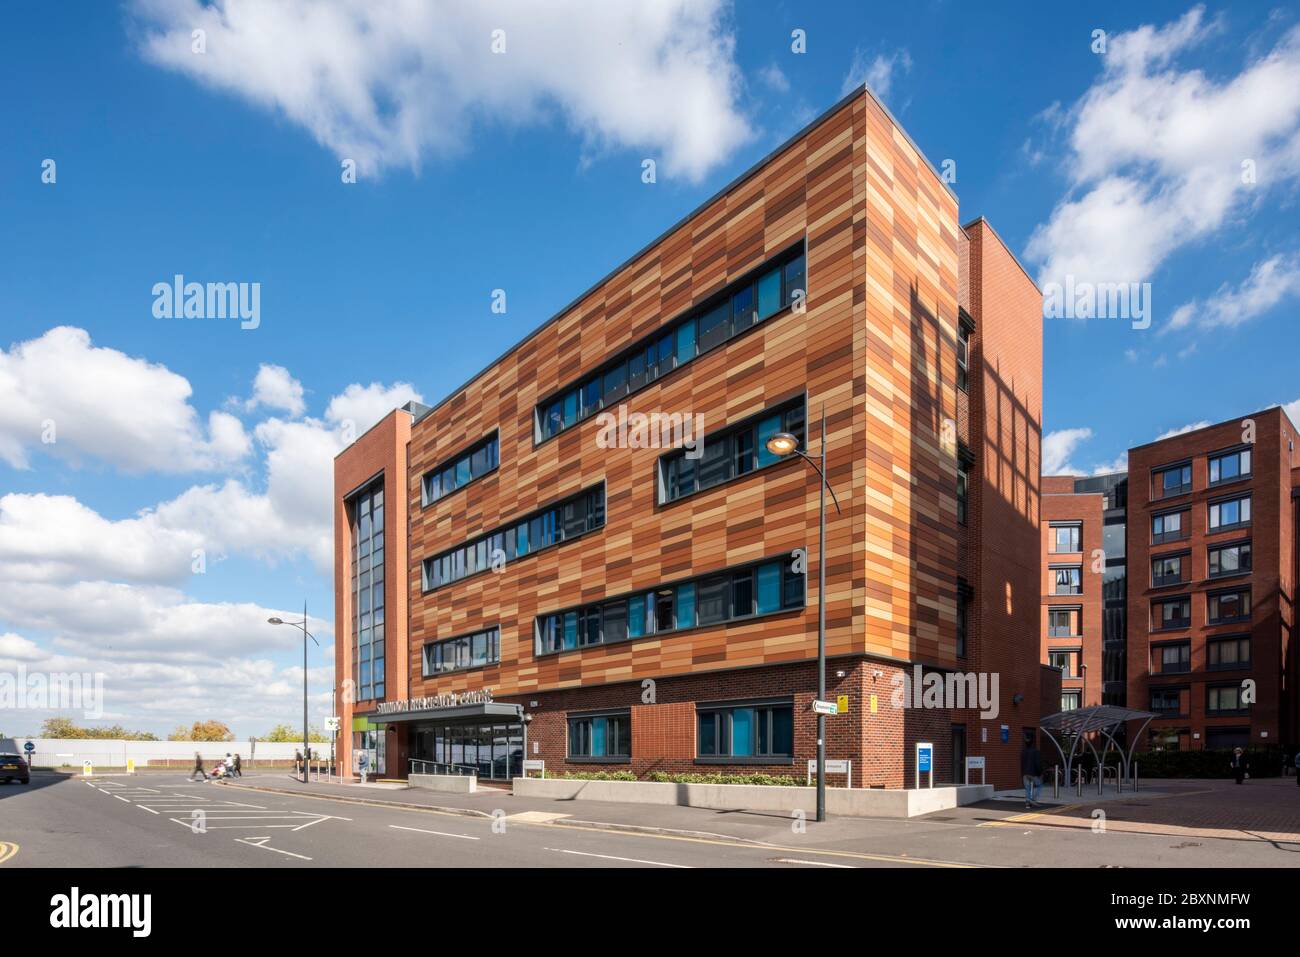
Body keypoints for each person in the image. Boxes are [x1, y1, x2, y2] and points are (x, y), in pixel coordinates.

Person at [1020, 733, 1043, 809]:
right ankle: (1033, 799)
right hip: (1032, 773)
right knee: (1040, 785)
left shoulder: (1023, 751)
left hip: (1025, 773)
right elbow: (1037, 763)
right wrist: (1040, 772)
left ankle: (1027, 803)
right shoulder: (1036, 751)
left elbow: (1022, 763)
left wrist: (1022, 773)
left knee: (1027, 788)